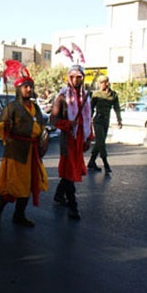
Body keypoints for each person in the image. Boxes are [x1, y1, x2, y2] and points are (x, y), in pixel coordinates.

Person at [0, 63, 49, 227]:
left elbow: (41, 126)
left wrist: (43, 137)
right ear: (18, 89)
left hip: (33, 151)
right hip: (16, 151)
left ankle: (19, 215)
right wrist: (6, 130)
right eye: (25, 87)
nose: (29, 90)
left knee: (29, 184)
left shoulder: (36, 107)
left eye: (30, 86)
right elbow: (1, 125)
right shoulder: (12, 107)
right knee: (13, 185)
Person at [50, 64, 93, 220]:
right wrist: (68, 124)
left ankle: (59, 195)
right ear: (68, 78)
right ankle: (73, 206)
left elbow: (88, 119)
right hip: (67, 139)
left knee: (72, 170)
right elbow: (53, 119)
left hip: (80, 139)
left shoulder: (86, 98)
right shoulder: (61, 97)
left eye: (79, 77)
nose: (75, 80)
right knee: (69, 171)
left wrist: (89, 138)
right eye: (72, 77)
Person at [87, 75, 122, 173]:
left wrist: (119, 120)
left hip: (106, 121)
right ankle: (105, 163)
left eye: (102, 82)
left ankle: (91, 161)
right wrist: (87, 119)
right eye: (99, 82)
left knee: (99, 142)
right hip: (97, 120)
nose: (100, 84)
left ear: (107, 83)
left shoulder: (113, 95)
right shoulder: (96, 94)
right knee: (101, 142)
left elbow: (117, 108)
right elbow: (90, 108)